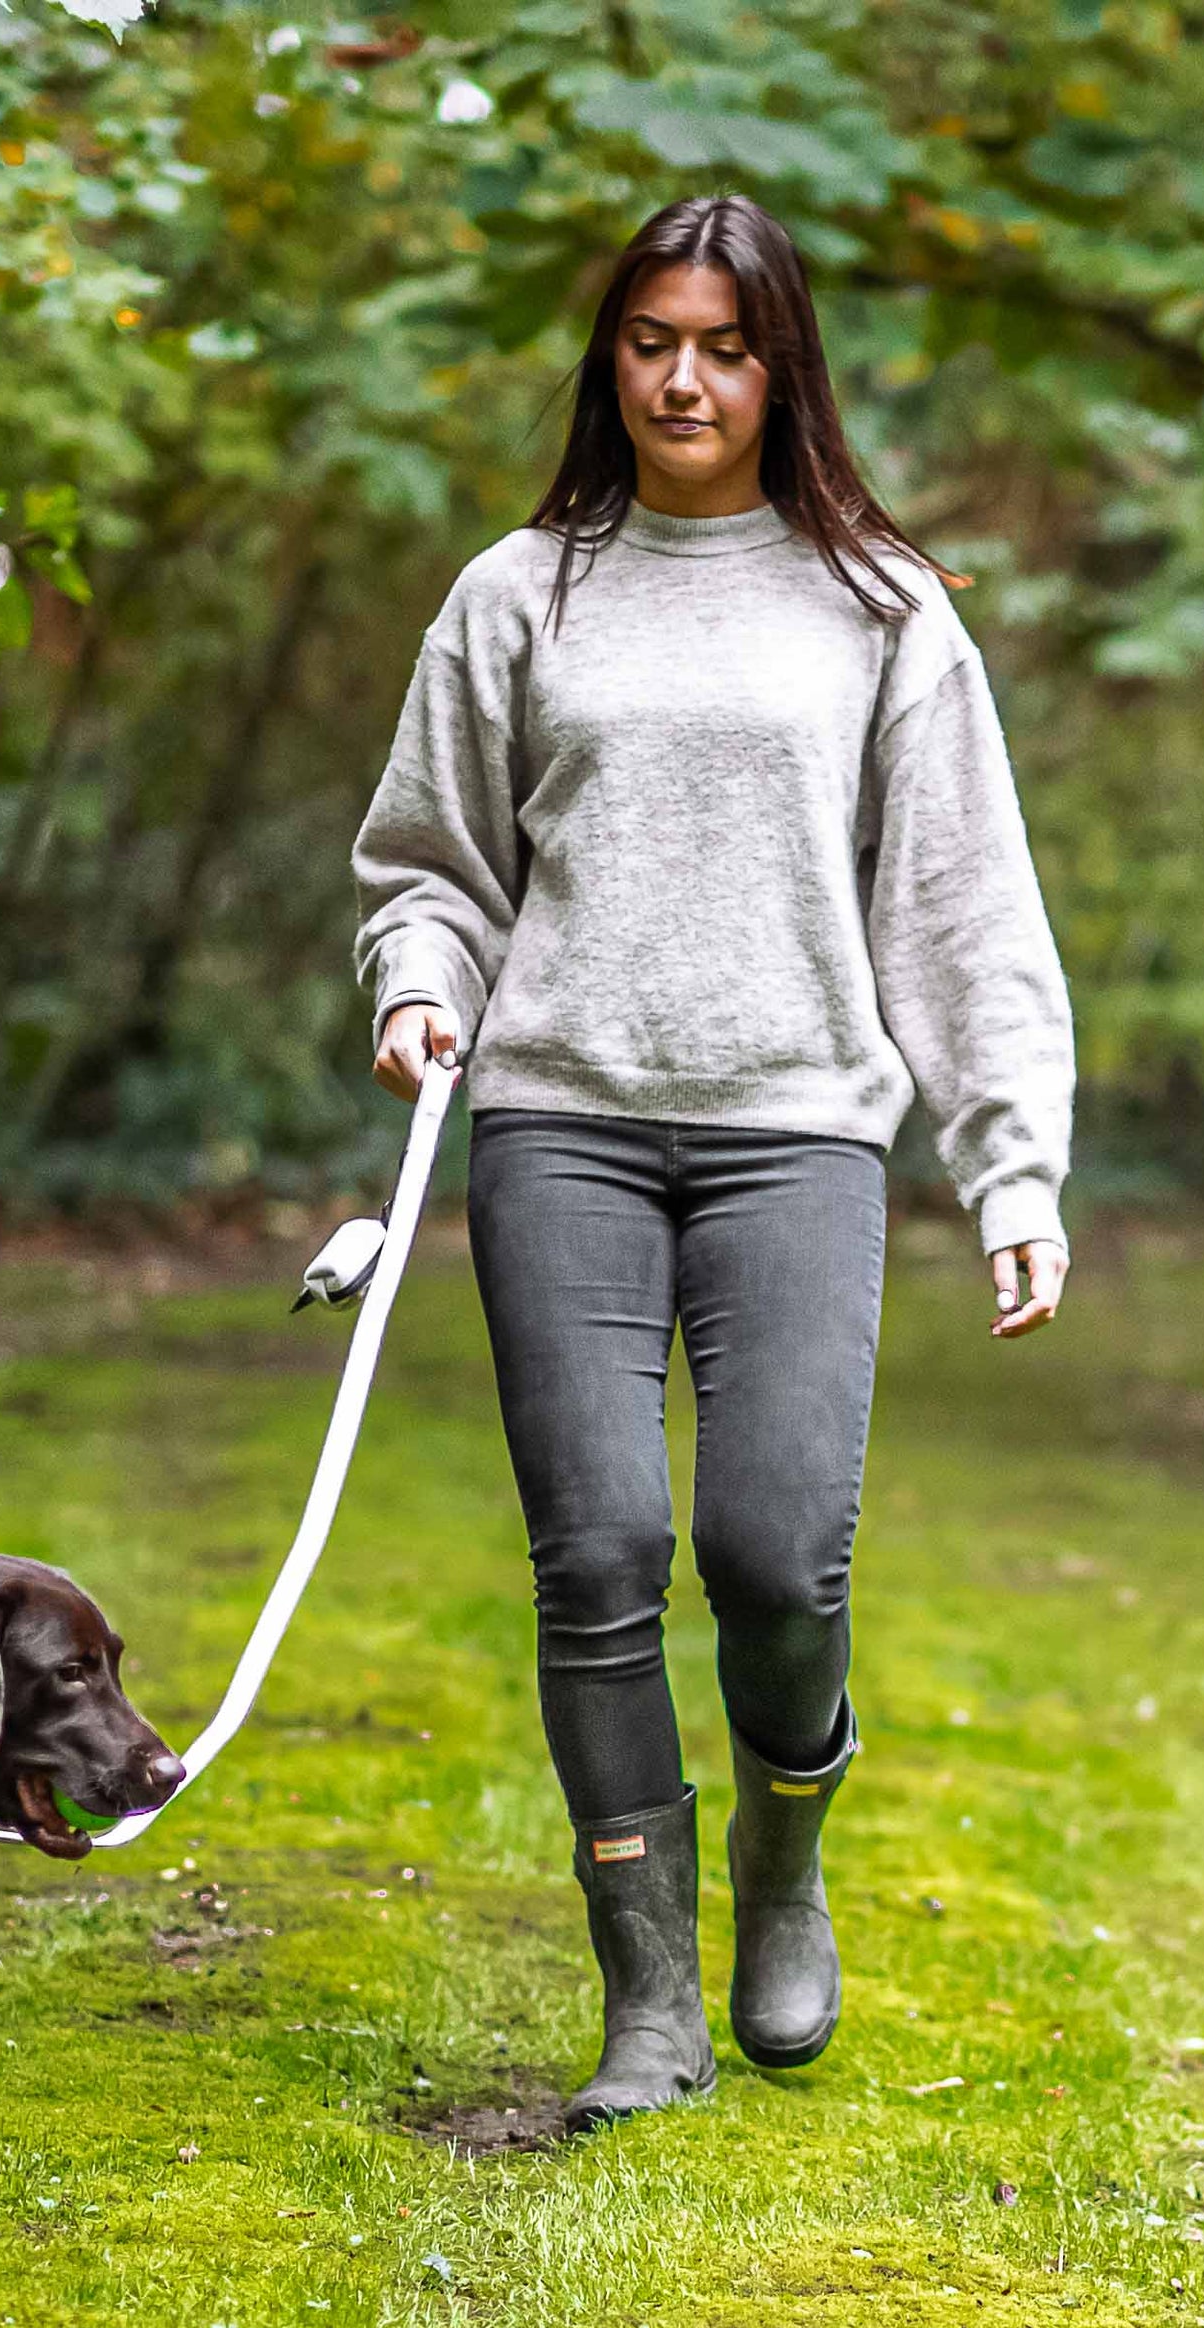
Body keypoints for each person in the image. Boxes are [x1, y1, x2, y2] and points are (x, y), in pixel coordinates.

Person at [348, 196, 1078, 2131]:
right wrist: (422, 984)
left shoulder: (883, 612)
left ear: (784, 371)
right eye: (655, 338)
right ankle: (649, 2003)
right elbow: (432, 864)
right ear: (612, 356)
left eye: (727, 347)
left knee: (771, 1552)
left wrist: (1013, 1168)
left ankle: (783, 1854)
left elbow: (961, 910)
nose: (685, 377)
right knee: (595, 1556)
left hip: (794, 1135)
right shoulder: (522, 593)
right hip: (557, 1119)